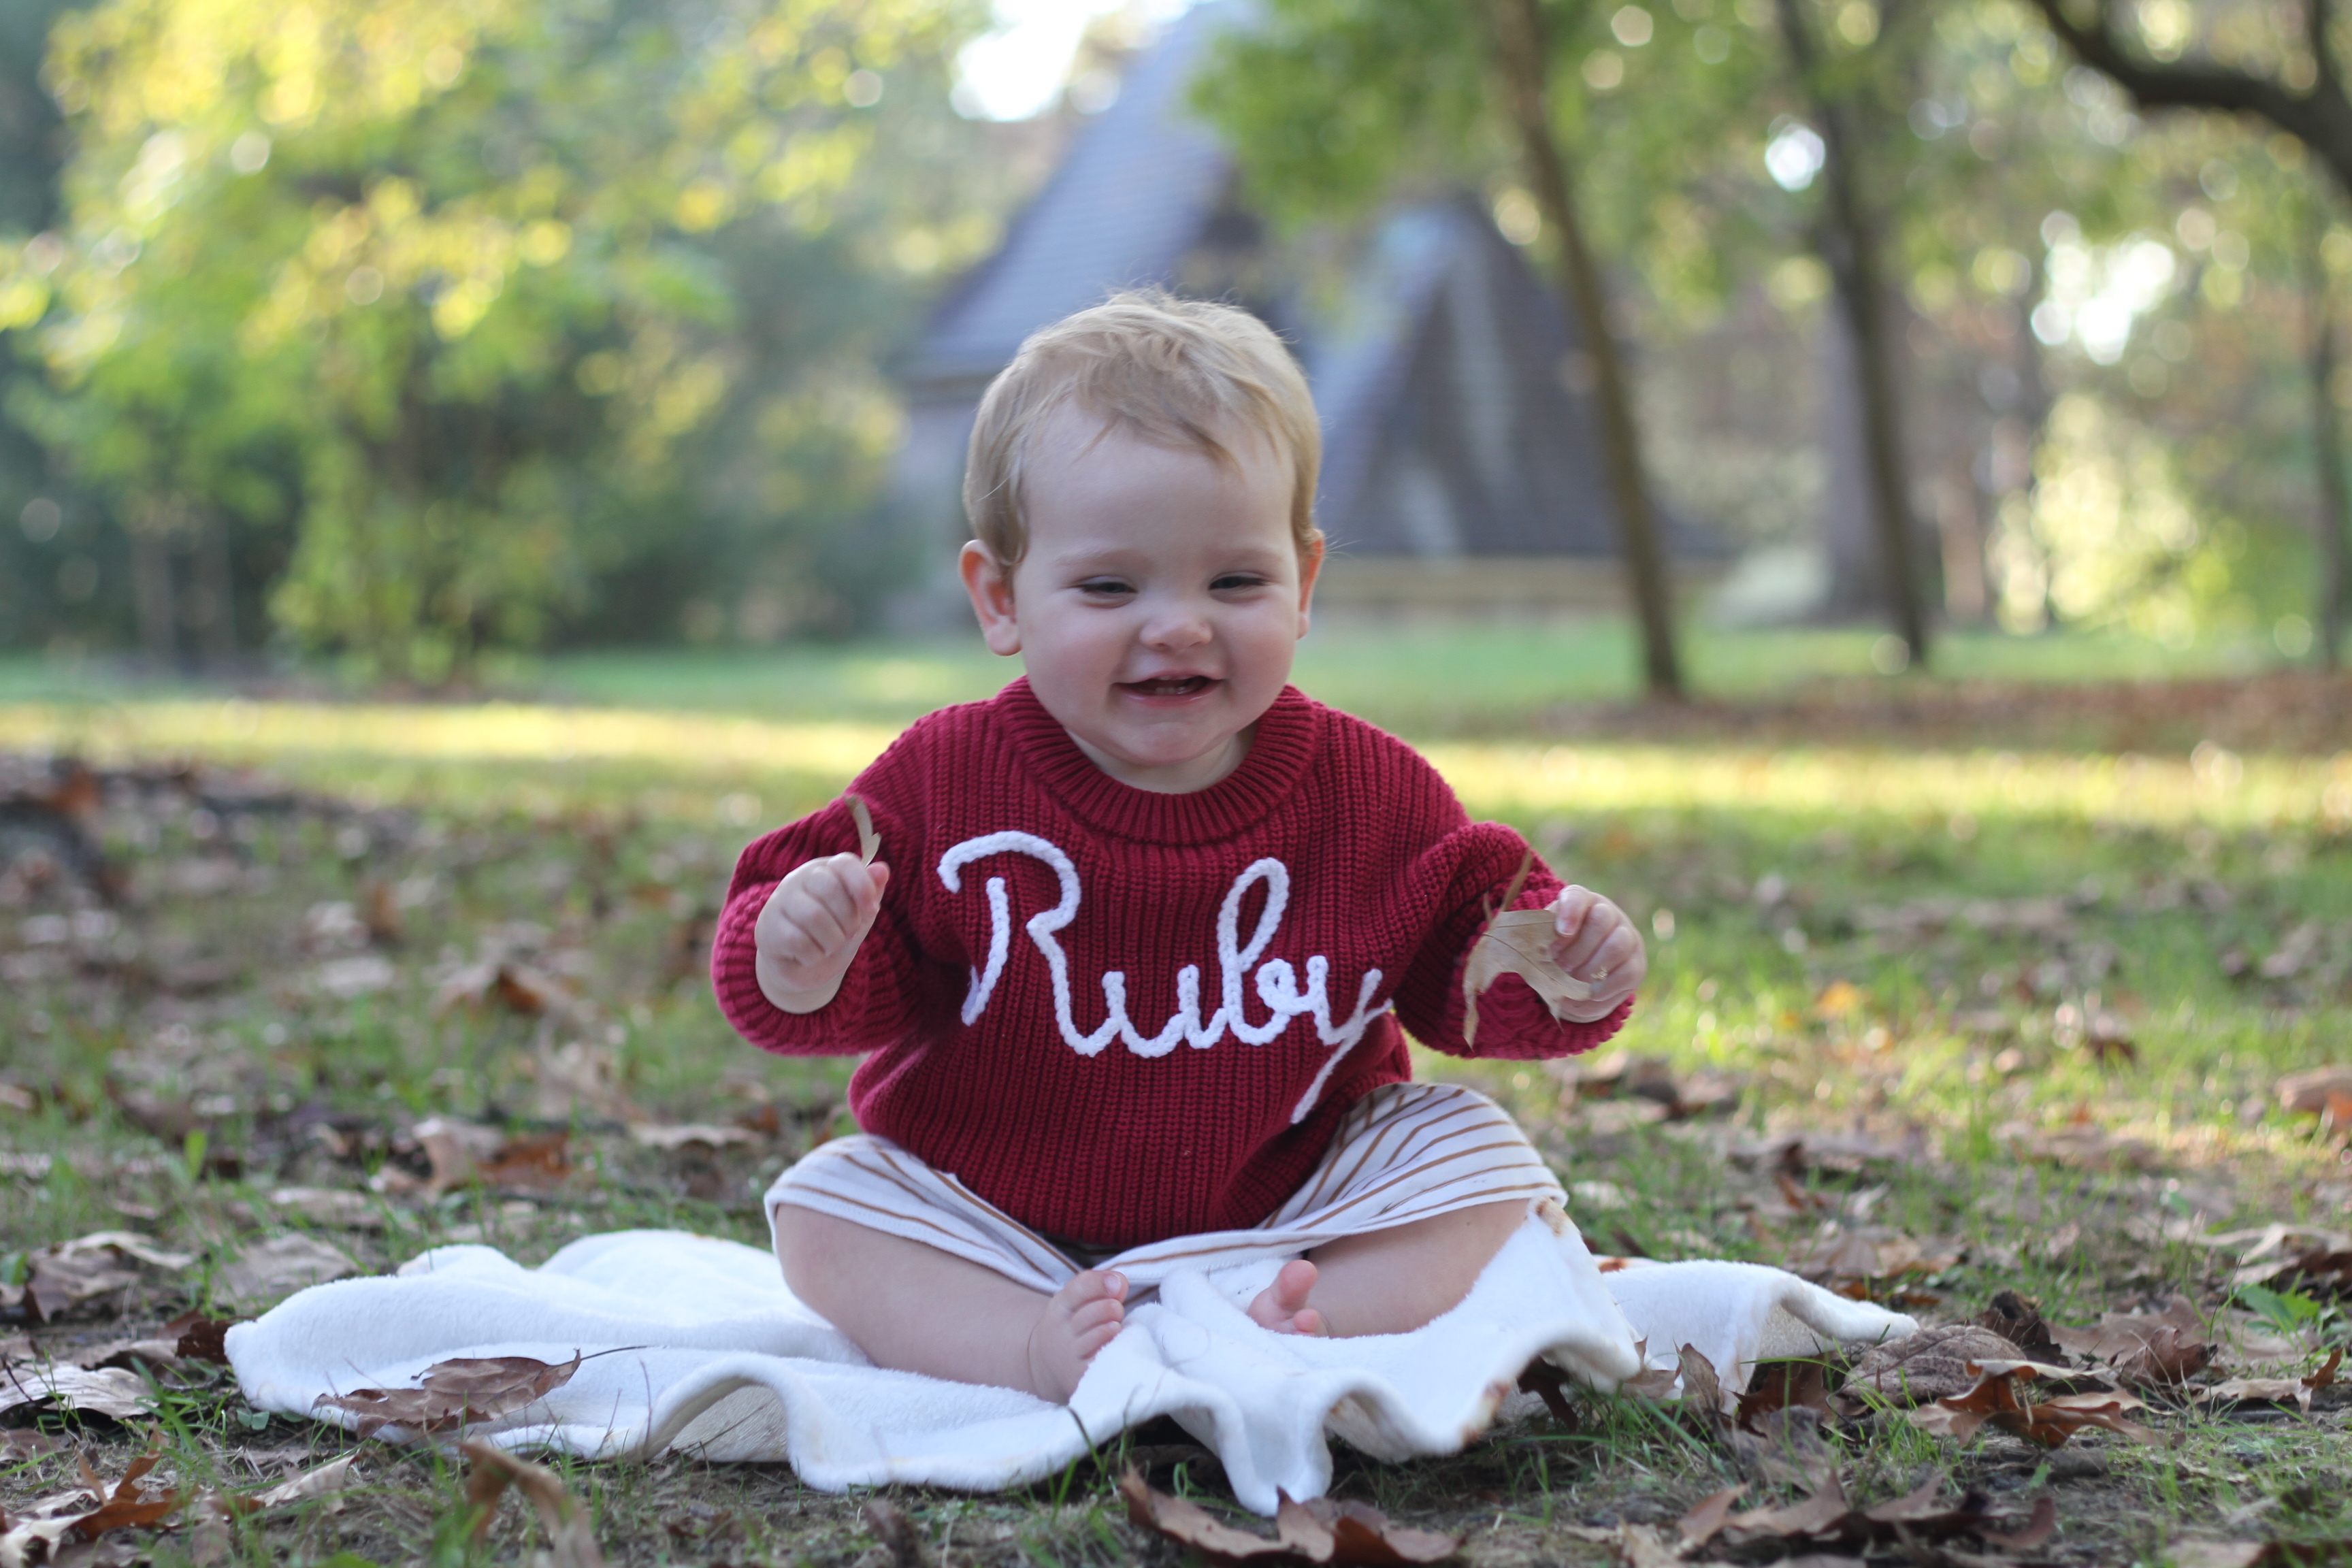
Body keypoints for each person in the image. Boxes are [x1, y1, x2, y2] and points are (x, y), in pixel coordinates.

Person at [712, 291, 1646, 1405]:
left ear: (1302, 584)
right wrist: (801, 952)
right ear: (1001, 598)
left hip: (1293, 1212)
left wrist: (1566, 970)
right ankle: (1019, 1347)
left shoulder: (1371, 793)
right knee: (826, 1210)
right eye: (1110, 586)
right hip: (1000, 1222)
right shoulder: (940, 781)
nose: (1179, 625)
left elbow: (1467, 971)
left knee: (1483, 1157)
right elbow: (832, 994)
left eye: (1235, 582)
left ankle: (1318, 1316)